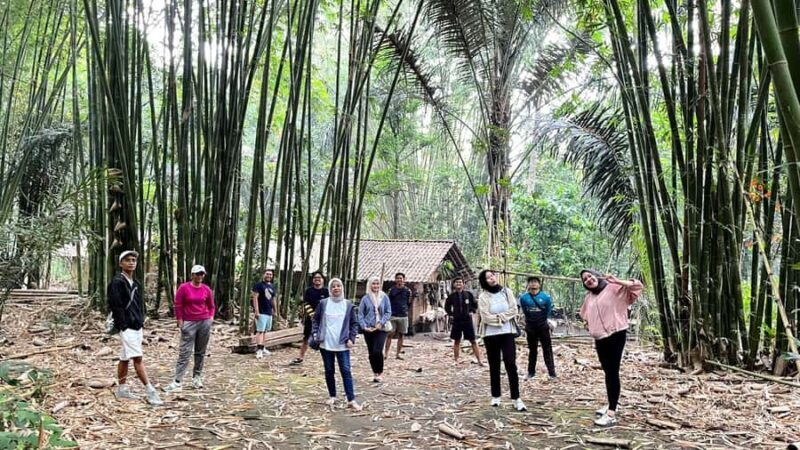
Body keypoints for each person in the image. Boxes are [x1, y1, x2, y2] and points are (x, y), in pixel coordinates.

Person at [579, 270, 643, 427]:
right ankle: (611, 403)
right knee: (608, 372)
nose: (588, 279)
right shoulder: (589, 297)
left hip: (616, 334)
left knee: (612, 372)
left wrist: (617, 280)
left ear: (597, 275)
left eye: (590, 276)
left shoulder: (614, 288)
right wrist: (588, 325)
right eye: (585, 279)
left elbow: (637, 286)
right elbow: (584, 314)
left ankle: (611, 413)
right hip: (599, 338)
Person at [107, 250, 163, 405]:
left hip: (137, 325)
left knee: (124, 357)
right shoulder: (117, 282)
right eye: (127, 260)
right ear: (120, 263)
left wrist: (141, 320)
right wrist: (123, 325)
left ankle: (122, 389)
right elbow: (115, 305)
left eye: (133, 260)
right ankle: (150, 391)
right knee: (138, 359)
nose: (131, 262)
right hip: (127, 327)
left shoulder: (136, 283)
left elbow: (139, 305)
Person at [477, 269, 526, 411]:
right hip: (490, 334)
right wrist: (501, 319)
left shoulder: (507, 292)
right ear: (484, 281)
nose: (492, 279)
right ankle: (496, 396)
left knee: (510, 363)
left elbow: (513, 310)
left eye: (492, 275)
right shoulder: (483, 297)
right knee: (494, 365)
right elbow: (485, 317)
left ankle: (516, 398)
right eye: (488, 278)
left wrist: (499, 318)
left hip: (507, 332)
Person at [310, 278, 361, 410]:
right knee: (329, 370)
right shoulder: (323, 303)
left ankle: (351, 399)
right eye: (333, 286)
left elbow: (354, 323)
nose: (336, 288)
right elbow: (315, 319)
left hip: (342, 343)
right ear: (330, 289)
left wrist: (352, 338)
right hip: (326, 343)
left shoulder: (348, 304)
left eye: (338, 286)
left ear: (342, 288)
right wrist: (316, 334)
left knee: (345, 370)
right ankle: (332, 396)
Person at [164, 265, 215, 393]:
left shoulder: (206, 289)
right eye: (197, 274)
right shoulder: (184, 288)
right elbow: (178, 305)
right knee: (185, 352)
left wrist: (210, 318)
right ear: (192, 275)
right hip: (189, 322)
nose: (200, 276)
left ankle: (197, 377)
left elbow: (211, 305)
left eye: (202, 274)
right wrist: (180, 321)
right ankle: (178, 381)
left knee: (200, 351)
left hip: (204, 322)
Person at [519, 276, 556, 380]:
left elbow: (548, 311)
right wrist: (530, 321)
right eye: (531, 282)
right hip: (530, 326)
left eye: (535, 282)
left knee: (547, 349)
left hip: (543, 326)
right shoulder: (524, 298)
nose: (533, 284)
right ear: (528, 284)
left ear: (539, 284)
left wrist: (542, 321)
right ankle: (531, 373)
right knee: (532, 350)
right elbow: (525, 311)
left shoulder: (546, 297)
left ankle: (552, 373)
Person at [291, 271, 329, 365]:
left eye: (319, 278)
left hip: (324, 319)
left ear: (323, 280)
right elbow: (305, 303)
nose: (317, 279)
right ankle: (300, 356)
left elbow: (329, 304)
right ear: (313, 280)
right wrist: (313, 315)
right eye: (315, 278)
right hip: (310, 318)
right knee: (306, 337)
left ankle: (328, 358)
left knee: (326, 338)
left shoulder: (326, 291)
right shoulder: (309, 291)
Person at [358, 276, 392, 382]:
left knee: (377, 350)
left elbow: (388, 312)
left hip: (380, 329)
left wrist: (381, 323)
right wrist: (364, 326)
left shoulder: (384, 297)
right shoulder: (365, 298)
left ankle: (380, 372)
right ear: (369, 285)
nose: (376, 286)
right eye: (373, 283)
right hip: (368, 329)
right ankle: (375, 372)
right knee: (371, 352)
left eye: (377, 284)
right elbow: (360, 314)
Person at [444, 277, 483, 366]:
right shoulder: (451, 296)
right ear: (454, 285)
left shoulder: (468, 294)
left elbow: (474, 305)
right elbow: (447, 307)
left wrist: (471, 311)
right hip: (457, 320)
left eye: (460, 282)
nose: (458, 284)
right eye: (456, 282)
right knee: (457, 341)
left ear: (463, 284)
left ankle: (479, 360)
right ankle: (456, 360)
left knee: (473, 340)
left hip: (467, 320)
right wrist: (451, 314)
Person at [384, 273, 411, 360]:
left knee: (401, 335)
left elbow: (409, 302)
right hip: (393, 315)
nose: (399, 280)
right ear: (395, 280)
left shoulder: (408, 291)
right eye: (398, 278)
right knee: (390, 334)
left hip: (403, 315)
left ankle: (398, 354)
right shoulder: (391, 290)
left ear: (404, 280)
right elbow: (387, 302)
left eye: (401, 278)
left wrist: (405, 310)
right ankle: (386, 354)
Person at [251, 269, 277, 358]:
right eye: (267, 274)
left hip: (269, 312)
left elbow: (273, 299)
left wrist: (275, 310)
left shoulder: (272, 286)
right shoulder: (258, 285)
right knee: (260, 331)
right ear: (263, 274)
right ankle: (259, 350)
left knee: (265, 331)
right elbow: (255, 298)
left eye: (270, 274)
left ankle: (263, 347)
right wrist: (256, 311)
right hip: (261, 311)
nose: (269, 276)